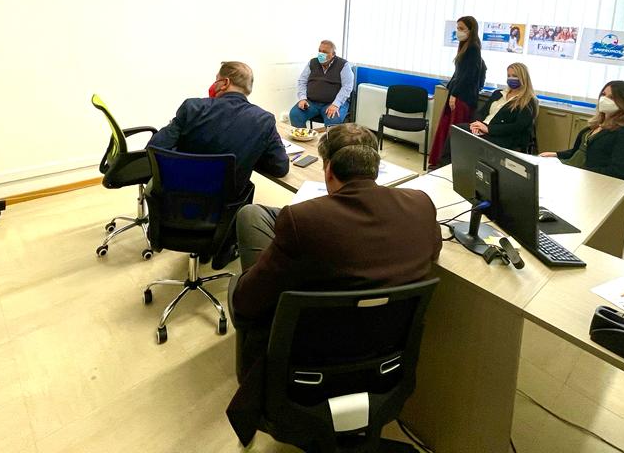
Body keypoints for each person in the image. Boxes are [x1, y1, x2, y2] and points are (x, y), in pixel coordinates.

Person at [226, 123, 442, 444]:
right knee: (258, 217)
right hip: (385, 366)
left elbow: (245, 305)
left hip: (306, 370)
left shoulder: (302, 220)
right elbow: (431, 251)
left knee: (252, 231)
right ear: (375, 168)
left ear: (328, 170)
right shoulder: (422, 205)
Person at [148, 61, 289, 268]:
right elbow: (280, 167)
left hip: (175, 206)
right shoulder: (263, 120)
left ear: (224, 83)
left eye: (216, 80)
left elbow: (155, 146)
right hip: (222, 212)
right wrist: (251, 152)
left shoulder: (192, 107)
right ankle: (226, 246)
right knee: (247, 186)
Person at [540, 80, 624, 181]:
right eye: (603, 94)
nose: (604, 99)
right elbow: (578, 152)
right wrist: (556, 154)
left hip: (589, 178)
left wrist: (578, 172)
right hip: (573, 170)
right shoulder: (597, 124)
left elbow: (617, 172)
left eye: (611, 97)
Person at [428, 15, 484, 167]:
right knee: (446, 128)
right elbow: (459, 73)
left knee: (454, 130)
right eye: (457, 28)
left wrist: (454, 94)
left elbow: (467, 75)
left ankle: (448, 163)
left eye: (461, 28)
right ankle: (438, 161)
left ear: (470, 30)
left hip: (462, 97)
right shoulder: (465, 46)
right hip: (458, 93)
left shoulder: (473, 48)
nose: (458, 31)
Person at [468, 62, 538, 152]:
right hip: (483, 128)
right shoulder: (498, 93)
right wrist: (476, 125)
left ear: (523, 78)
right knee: (458, 130)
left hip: (503, 136)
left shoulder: (528, 100)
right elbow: (482, 112)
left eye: (514, 76)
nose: (511, 78)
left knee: (471, 142)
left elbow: (518, 127)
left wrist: (488, 129)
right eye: (509, 75)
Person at [289, 40, 353, 128]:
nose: (321, 54)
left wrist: (335, 104)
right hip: (311, 102)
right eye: (320, 51)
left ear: (333, 54)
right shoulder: (312, 62)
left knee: (333, 119)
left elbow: (347, 87)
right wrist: (302, 98)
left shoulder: (343, 65)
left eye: (325, 52)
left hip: (333, 103)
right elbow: (302, 81)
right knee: (295, 114)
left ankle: (328, 138)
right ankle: (304, 136)